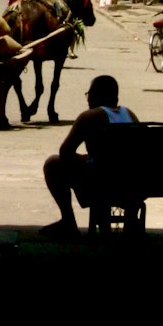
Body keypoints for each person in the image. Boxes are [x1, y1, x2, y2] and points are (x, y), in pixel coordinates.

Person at [40, 74, 138, 238]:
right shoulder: (130, 115)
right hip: (131, 182)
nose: (87, 100)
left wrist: (85, 159)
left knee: (53, 163)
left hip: (100, 181)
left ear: (96, 96)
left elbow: (65, 152)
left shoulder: (90, 117)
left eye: (89, 95)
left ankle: (68, 221)